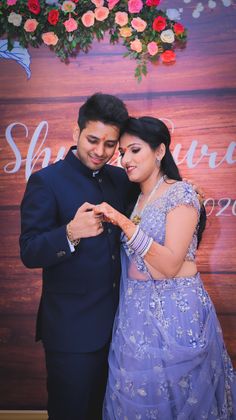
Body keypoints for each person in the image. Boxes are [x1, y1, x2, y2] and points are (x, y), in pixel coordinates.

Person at [94, 116, 236, 419]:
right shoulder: (137, 198)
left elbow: (171, 264)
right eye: (122, 153)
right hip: (134, 317)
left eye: (134, 150)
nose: (126, 159)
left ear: (160, 151)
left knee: (181, 400)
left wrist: (122, 222)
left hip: (175, 313)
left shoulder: (180, 193)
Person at [19, 93, 133, 420]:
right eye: (93, 140)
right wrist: (69, 233)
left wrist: (182, 188)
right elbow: (29, 251)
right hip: (71, 332)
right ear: (76, 133)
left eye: (110, 144)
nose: (100, 152)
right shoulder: (46, 182)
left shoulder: (121, 179)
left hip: (120, 328)